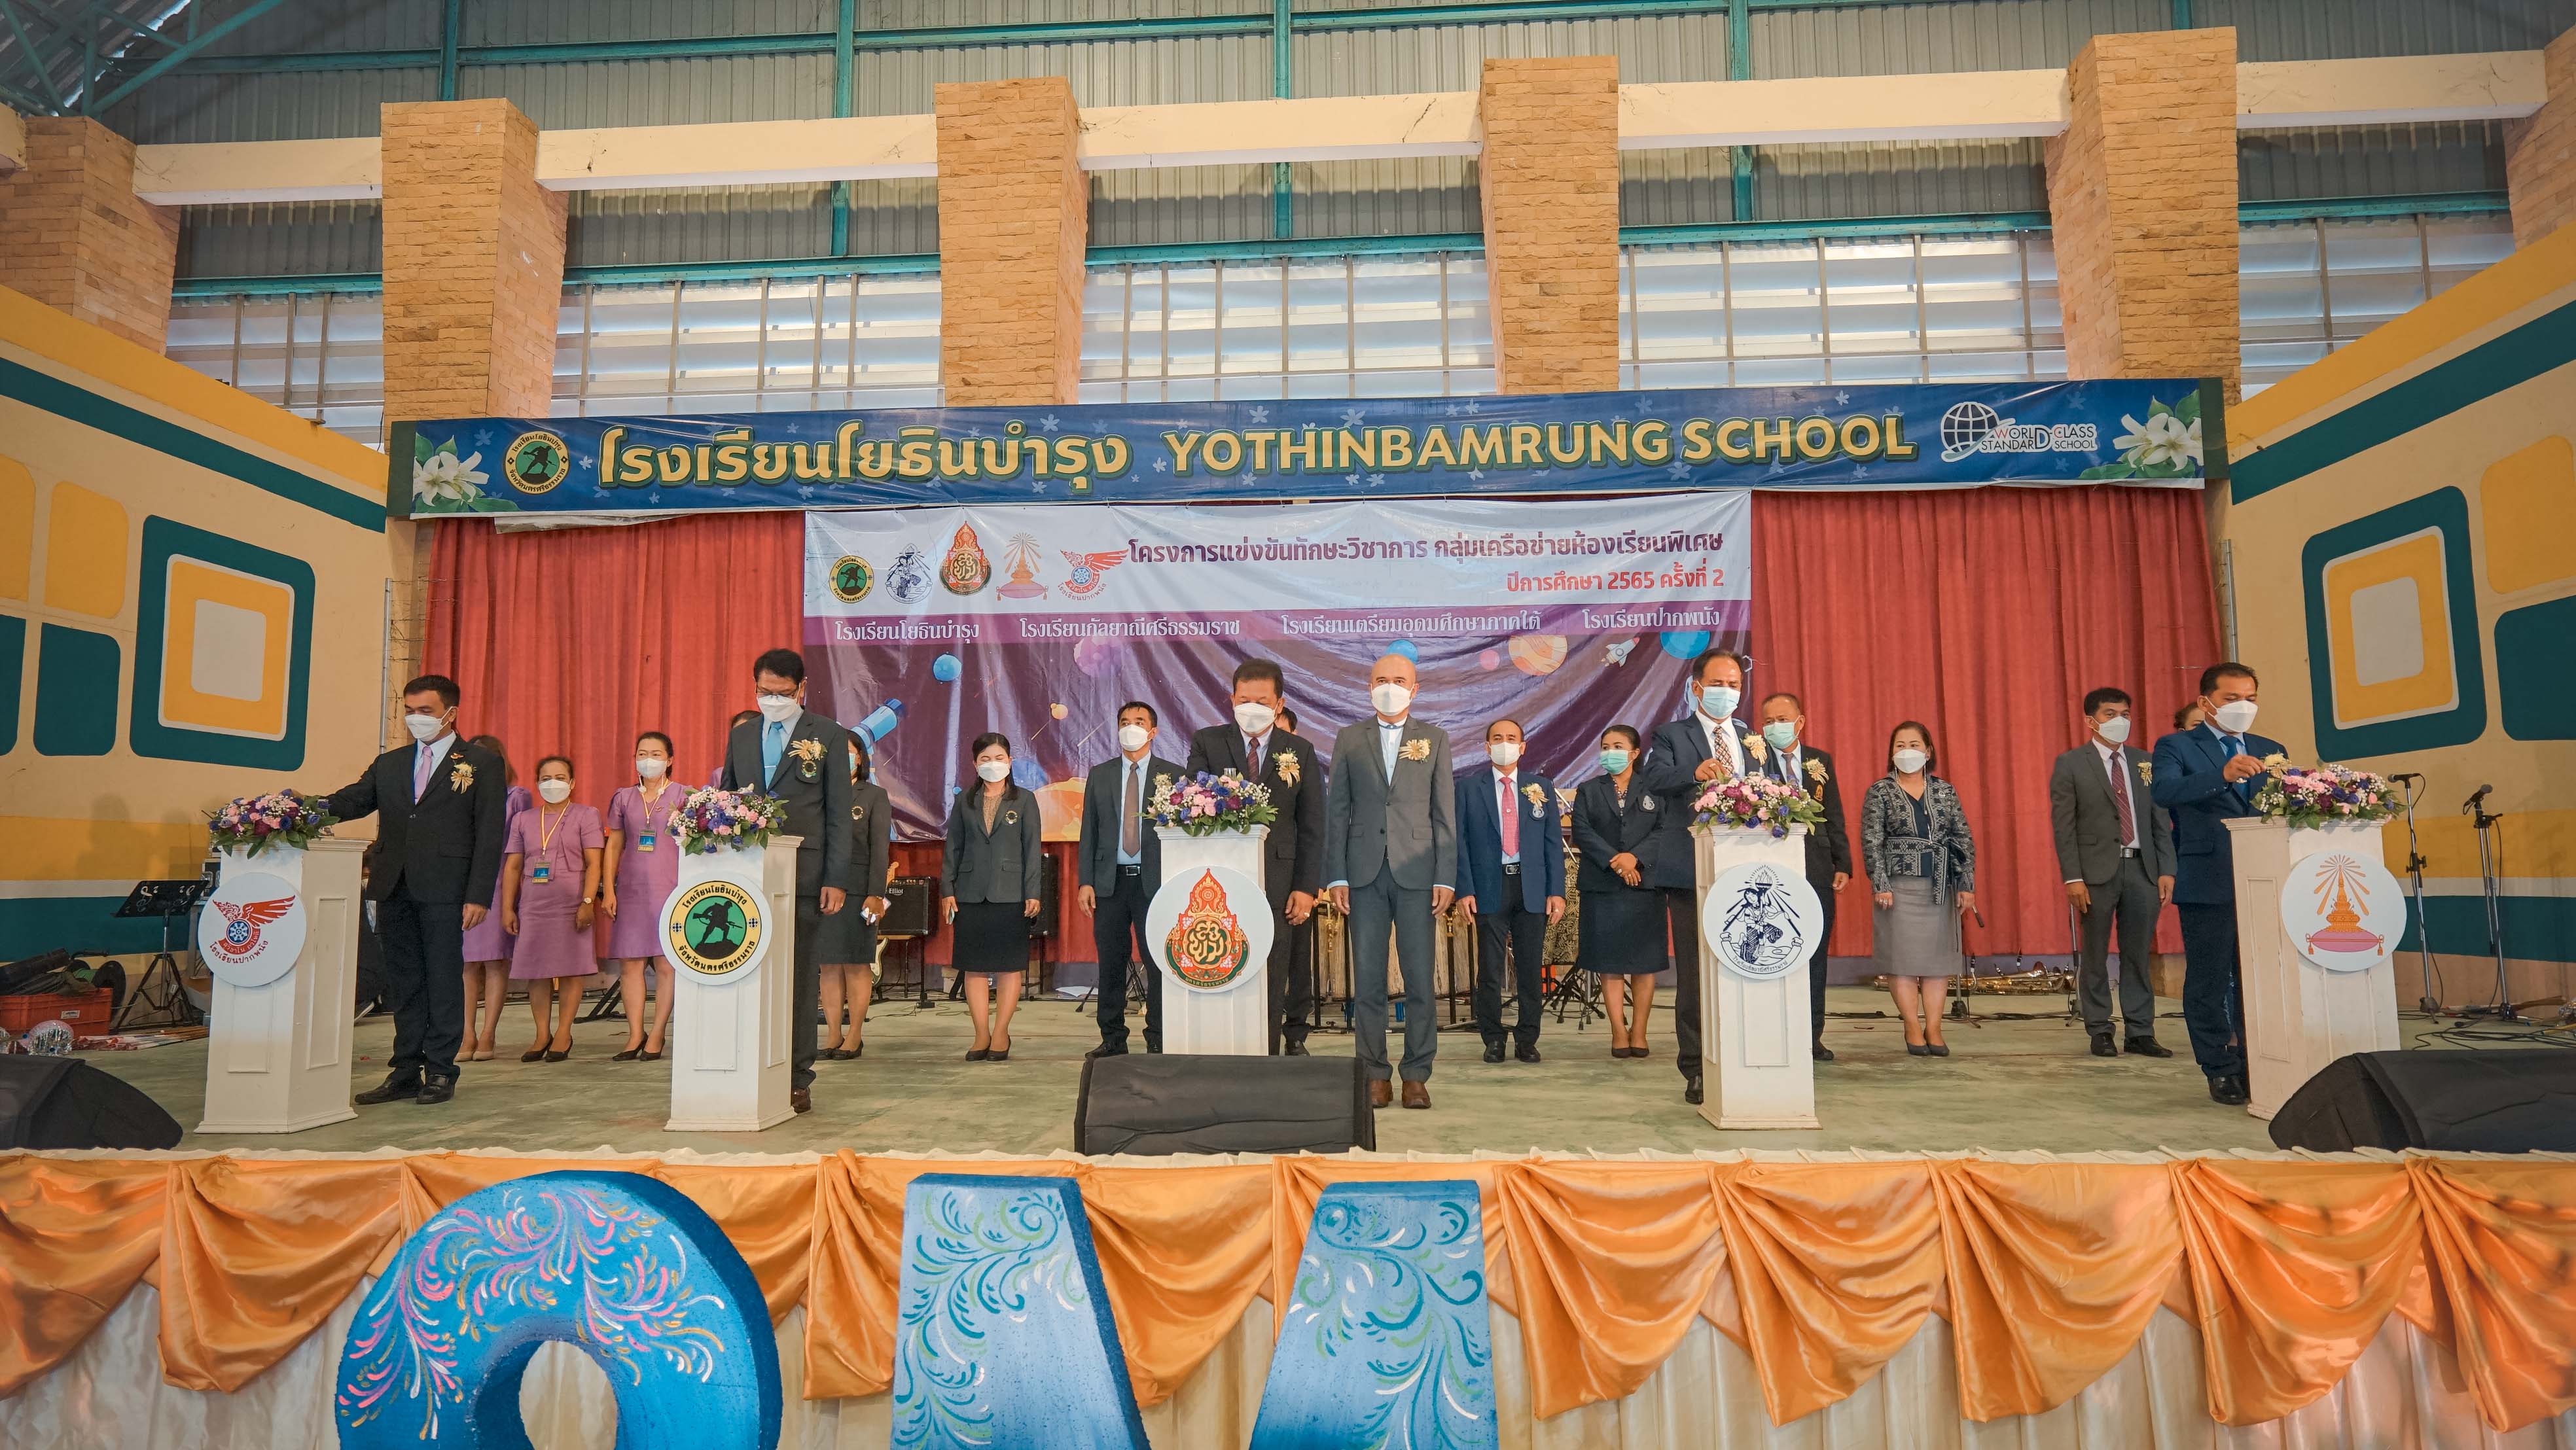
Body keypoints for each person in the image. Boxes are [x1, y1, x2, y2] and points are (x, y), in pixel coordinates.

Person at [323, 675, 505, 1107]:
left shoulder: (479, 762)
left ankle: (440, 1069)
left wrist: (479, 895)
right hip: (394, 884)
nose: (415, 718)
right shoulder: (391, 763)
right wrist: (296, 809)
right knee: (404, 981)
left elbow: (489, 832)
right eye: (409, 710)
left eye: (425, 711)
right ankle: (405, 1069)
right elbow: (353, 800)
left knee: (442, 978)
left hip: (446, 886)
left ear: (450, 713)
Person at [717, 648, 855, 1116]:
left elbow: (839, 814)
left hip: (805, 874)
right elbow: (727, 802)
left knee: (797, 977)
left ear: (802, 689)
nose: (772, 700)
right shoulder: (742, 735)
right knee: (746, 973)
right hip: (747, 877)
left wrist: (836, 877)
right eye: (764, 692)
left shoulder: (828, 735)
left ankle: (797, 1076)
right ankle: (748, 1067)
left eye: (782, 693)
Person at [1324, 652, 1456, 1109]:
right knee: (1369, 982)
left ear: (1414, 689)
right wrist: (1337, 874)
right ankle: (1374, 1073)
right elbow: (1337, 811)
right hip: (1363, 874)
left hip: (1418, 873)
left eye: (1399, 680)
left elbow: (1444, 814)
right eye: (1381, 679)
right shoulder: (1349, 738)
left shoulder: (1434, 739)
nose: (1390, 687)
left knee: (1420, 981)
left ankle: (1416, 1074)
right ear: (1369, 687)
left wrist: (1446, 877)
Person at [2151, 662, 2283, 1108]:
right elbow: (2165, 792)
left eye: (2250, 698)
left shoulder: (2270, 749)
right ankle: (2219, 1065)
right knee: (2209, 979)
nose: (2243, 706)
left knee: (2258, 979)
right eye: (2232, 699)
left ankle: (2256, 1061)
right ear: (2206, 702)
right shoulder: (2177, 746)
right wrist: (2222, 776)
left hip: (2263, 878)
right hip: (2208, 877)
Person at [1185, 659, 1325, 1054]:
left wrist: (1306, 887)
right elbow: (1192, 801)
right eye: (1245, 700)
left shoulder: (1299, 751)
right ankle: (1223, 1051)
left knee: (1276, 966)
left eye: (1262, 702)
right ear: (1232, 699)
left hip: (1281, 880)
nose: (1252, 708)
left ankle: (1270, 1055)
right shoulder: (1208, 742)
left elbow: (1313, 825)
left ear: (1279, 704)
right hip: (1220, 878)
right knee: (1224, 959)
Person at [1639, 647, 1753, 1106]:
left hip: (1747, 872)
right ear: (1698, 687)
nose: (1728, 692)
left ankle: (1745, 1056)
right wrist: (1694, 772)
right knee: (1696, 971)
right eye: (1719, 684)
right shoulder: (1672, 734)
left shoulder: (1750, 737)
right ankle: (1696, 1065)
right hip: (1691, 870)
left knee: (1746, 964)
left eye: (1735, 685)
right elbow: (1654, 779)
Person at [2050, 688, 2177, 1061]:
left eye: (2125, 713)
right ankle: (2100, 1029)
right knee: (2095, 953)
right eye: (2110, 714)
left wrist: (2167, 869)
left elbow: (2160, 821)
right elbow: (2064, 827)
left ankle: (2140, 1030)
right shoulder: (2071, 764)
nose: (2120, 720)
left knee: (2137, 953)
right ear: (2091, 720)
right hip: (2095, 872)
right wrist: (2073, 877)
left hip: (2143, 868)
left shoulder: (2145, 762)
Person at [1860, 722, 1976, 1056]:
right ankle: (1912, 1025)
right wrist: (1880, 883)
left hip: (1940, 886)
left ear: (1928, 751)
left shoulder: (1945, 791)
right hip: (1897, 888)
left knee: (1937, 962)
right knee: (1903, 961)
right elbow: (1871, 841)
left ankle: (1934, 1028)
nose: (1906, 751)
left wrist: (1966, 883)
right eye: (1899, 745)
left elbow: (1962, 837)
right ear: (1891, 752)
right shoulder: (1880, 791)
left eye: (1914, 744)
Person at [1453, 716, 1565, 1063]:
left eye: (1512, 738)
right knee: (1490, 969)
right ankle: (1493, 1038)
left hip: (1531, 887)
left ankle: (1527, 1038)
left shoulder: (1540, 787)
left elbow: (1552, 843)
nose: (1505, 744)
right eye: (1498, 738)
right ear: (1487, 747)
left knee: (1530, 969)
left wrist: (1556, 891)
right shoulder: (1469, 788)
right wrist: (1464, 889)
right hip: (1489, 886)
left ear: (1523, 746)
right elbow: (1459, 843)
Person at [1078, 702, 1181, 1057]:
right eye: (1124, 722)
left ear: (1153, 732)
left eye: (1139, 722)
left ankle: (1159, 1036)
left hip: (1156, 883)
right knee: (1111, 961)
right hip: (1111, 883)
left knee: (1159, 961)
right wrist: (1086, 881)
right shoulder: (1101, 774)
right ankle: (1112, 1038)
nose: (1130, 727)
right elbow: (1089, 831)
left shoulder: (1174, 775)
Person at [1755, 692, 1853, 1063]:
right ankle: (1770, 1033)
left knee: (1814, 953)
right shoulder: (1754, 760)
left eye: (1782, 719)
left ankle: (1812, 1035)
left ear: (1800, 722)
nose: (1774, 727)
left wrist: (1842, 863)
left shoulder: (1819, 761)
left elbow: (1834, 814)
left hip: (1817, 868)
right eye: (1768, 721)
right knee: (1771, 949)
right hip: (1770, 871)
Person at [942, 732, 1045, 1061]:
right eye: (985, 759)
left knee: (1008, 967)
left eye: (999, 758)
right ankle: (980, 1034)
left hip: (1010, 893)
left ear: (1010, 762)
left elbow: (1032, 849)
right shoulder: (964, 801)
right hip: (970, 893)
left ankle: (1001, 1033)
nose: (993, 764)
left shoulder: (1025, 800)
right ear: (975, 764)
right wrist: (948, 890)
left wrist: (1033, 892)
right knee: (973, 967)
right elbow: (953, 848)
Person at [499, 754, 604, 1061]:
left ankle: (563, 1033)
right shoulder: (523, 820)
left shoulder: (587, 815)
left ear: (572, 783)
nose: (552, 784)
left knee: (571, 970)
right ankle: (541, 1034)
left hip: (572, 904)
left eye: (559, 778)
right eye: (546, 779)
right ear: (537, 783)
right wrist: (508, 908)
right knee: (537, 971)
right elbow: (513, 867)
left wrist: (587, 901)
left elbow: (594, 863)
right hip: (533, 905)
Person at [1571, 725, 1665, 1059]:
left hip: (1644, 885)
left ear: (1635, 753)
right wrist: (1617, 861)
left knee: (1644, 964)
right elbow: (1582, 831)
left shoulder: (1654, 788)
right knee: (1609, 962)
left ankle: (1639, 1031)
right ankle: (1618, 1031)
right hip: (1603, 885)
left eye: (1618, 746)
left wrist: (1635, 858)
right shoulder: (1589, 790)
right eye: (1605, 746)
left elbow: (1663, 830)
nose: (1610, 752)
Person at [601, 731, 682, 1061]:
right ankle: (635, 1033)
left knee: (666, 963)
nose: (648, 760)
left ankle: (658, 1033)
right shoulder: (623, 797)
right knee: (631, 962)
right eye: (642, 754)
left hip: (670, 888)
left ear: (670, 759)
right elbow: (614, 845)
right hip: (632, 889)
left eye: (656, 754)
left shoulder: (684, 795)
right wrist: (609, 888)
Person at [820, 735, 893, 1061]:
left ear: (860, 758)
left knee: (855, 964)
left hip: (859, 892)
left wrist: (876, 894)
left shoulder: (874, 796)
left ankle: (855, 1034)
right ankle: (833, 1033)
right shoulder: (818, 794)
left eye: (849, 753)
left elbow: (880, 849)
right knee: (827, 964)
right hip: (822, 890)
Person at [458, 734, 528, 1062]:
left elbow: (520, 847)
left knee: (495, 960)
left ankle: (488, 1033)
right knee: (465, 962)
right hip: (460, 883)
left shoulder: (515, 797)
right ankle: (466, 1033)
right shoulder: (456, 794)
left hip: (499, 882)